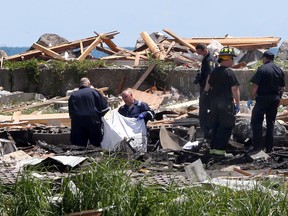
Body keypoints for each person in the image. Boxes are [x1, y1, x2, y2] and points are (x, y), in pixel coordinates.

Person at [247, 50, 285, 153]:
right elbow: (282, 88)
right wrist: (279, 98)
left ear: (265, 58)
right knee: (271, 123)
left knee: (256, 122)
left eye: (263, 58)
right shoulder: (279, 70)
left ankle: (257, 147)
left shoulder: (262, 69)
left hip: (263, 99)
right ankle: (269, 147)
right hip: (274, 99)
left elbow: (255, 86)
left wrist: (250, 98)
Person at [206, 47, 240, 155]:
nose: (233, 61)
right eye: (232, 58)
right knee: (225, 127)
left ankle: (213, 150)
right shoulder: (230, 73)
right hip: (225, 104)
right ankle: (219, 152)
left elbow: (208, 87)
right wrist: (237, 103)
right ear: (228, 59)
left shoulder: (214, 72)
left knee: (215, 126)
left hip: (214, 104)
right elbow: (234, 89)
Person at [68, 77, 109, 147]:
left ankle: (78, 157)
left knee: (78, 146)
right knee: (95, 144)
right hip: (93, 121)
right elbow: (104, 107)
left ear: (80, 85)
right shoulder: (94, 92)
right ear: (89, 84)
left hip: (78, 122)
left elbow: (71, 112)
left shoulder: (73, 95)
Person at [194, 43, 218, 139]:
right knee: (206, 111)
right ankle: (208, 133)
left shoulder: (210, 59)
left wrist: (205, 91)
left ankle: (207, 134)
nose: (199, 55)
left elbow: (210, 75)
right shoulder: (206, 59)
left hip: (208, 90)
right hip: (206, 88)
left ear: (204, 50)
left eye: (200, 52)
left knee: (204, 112)